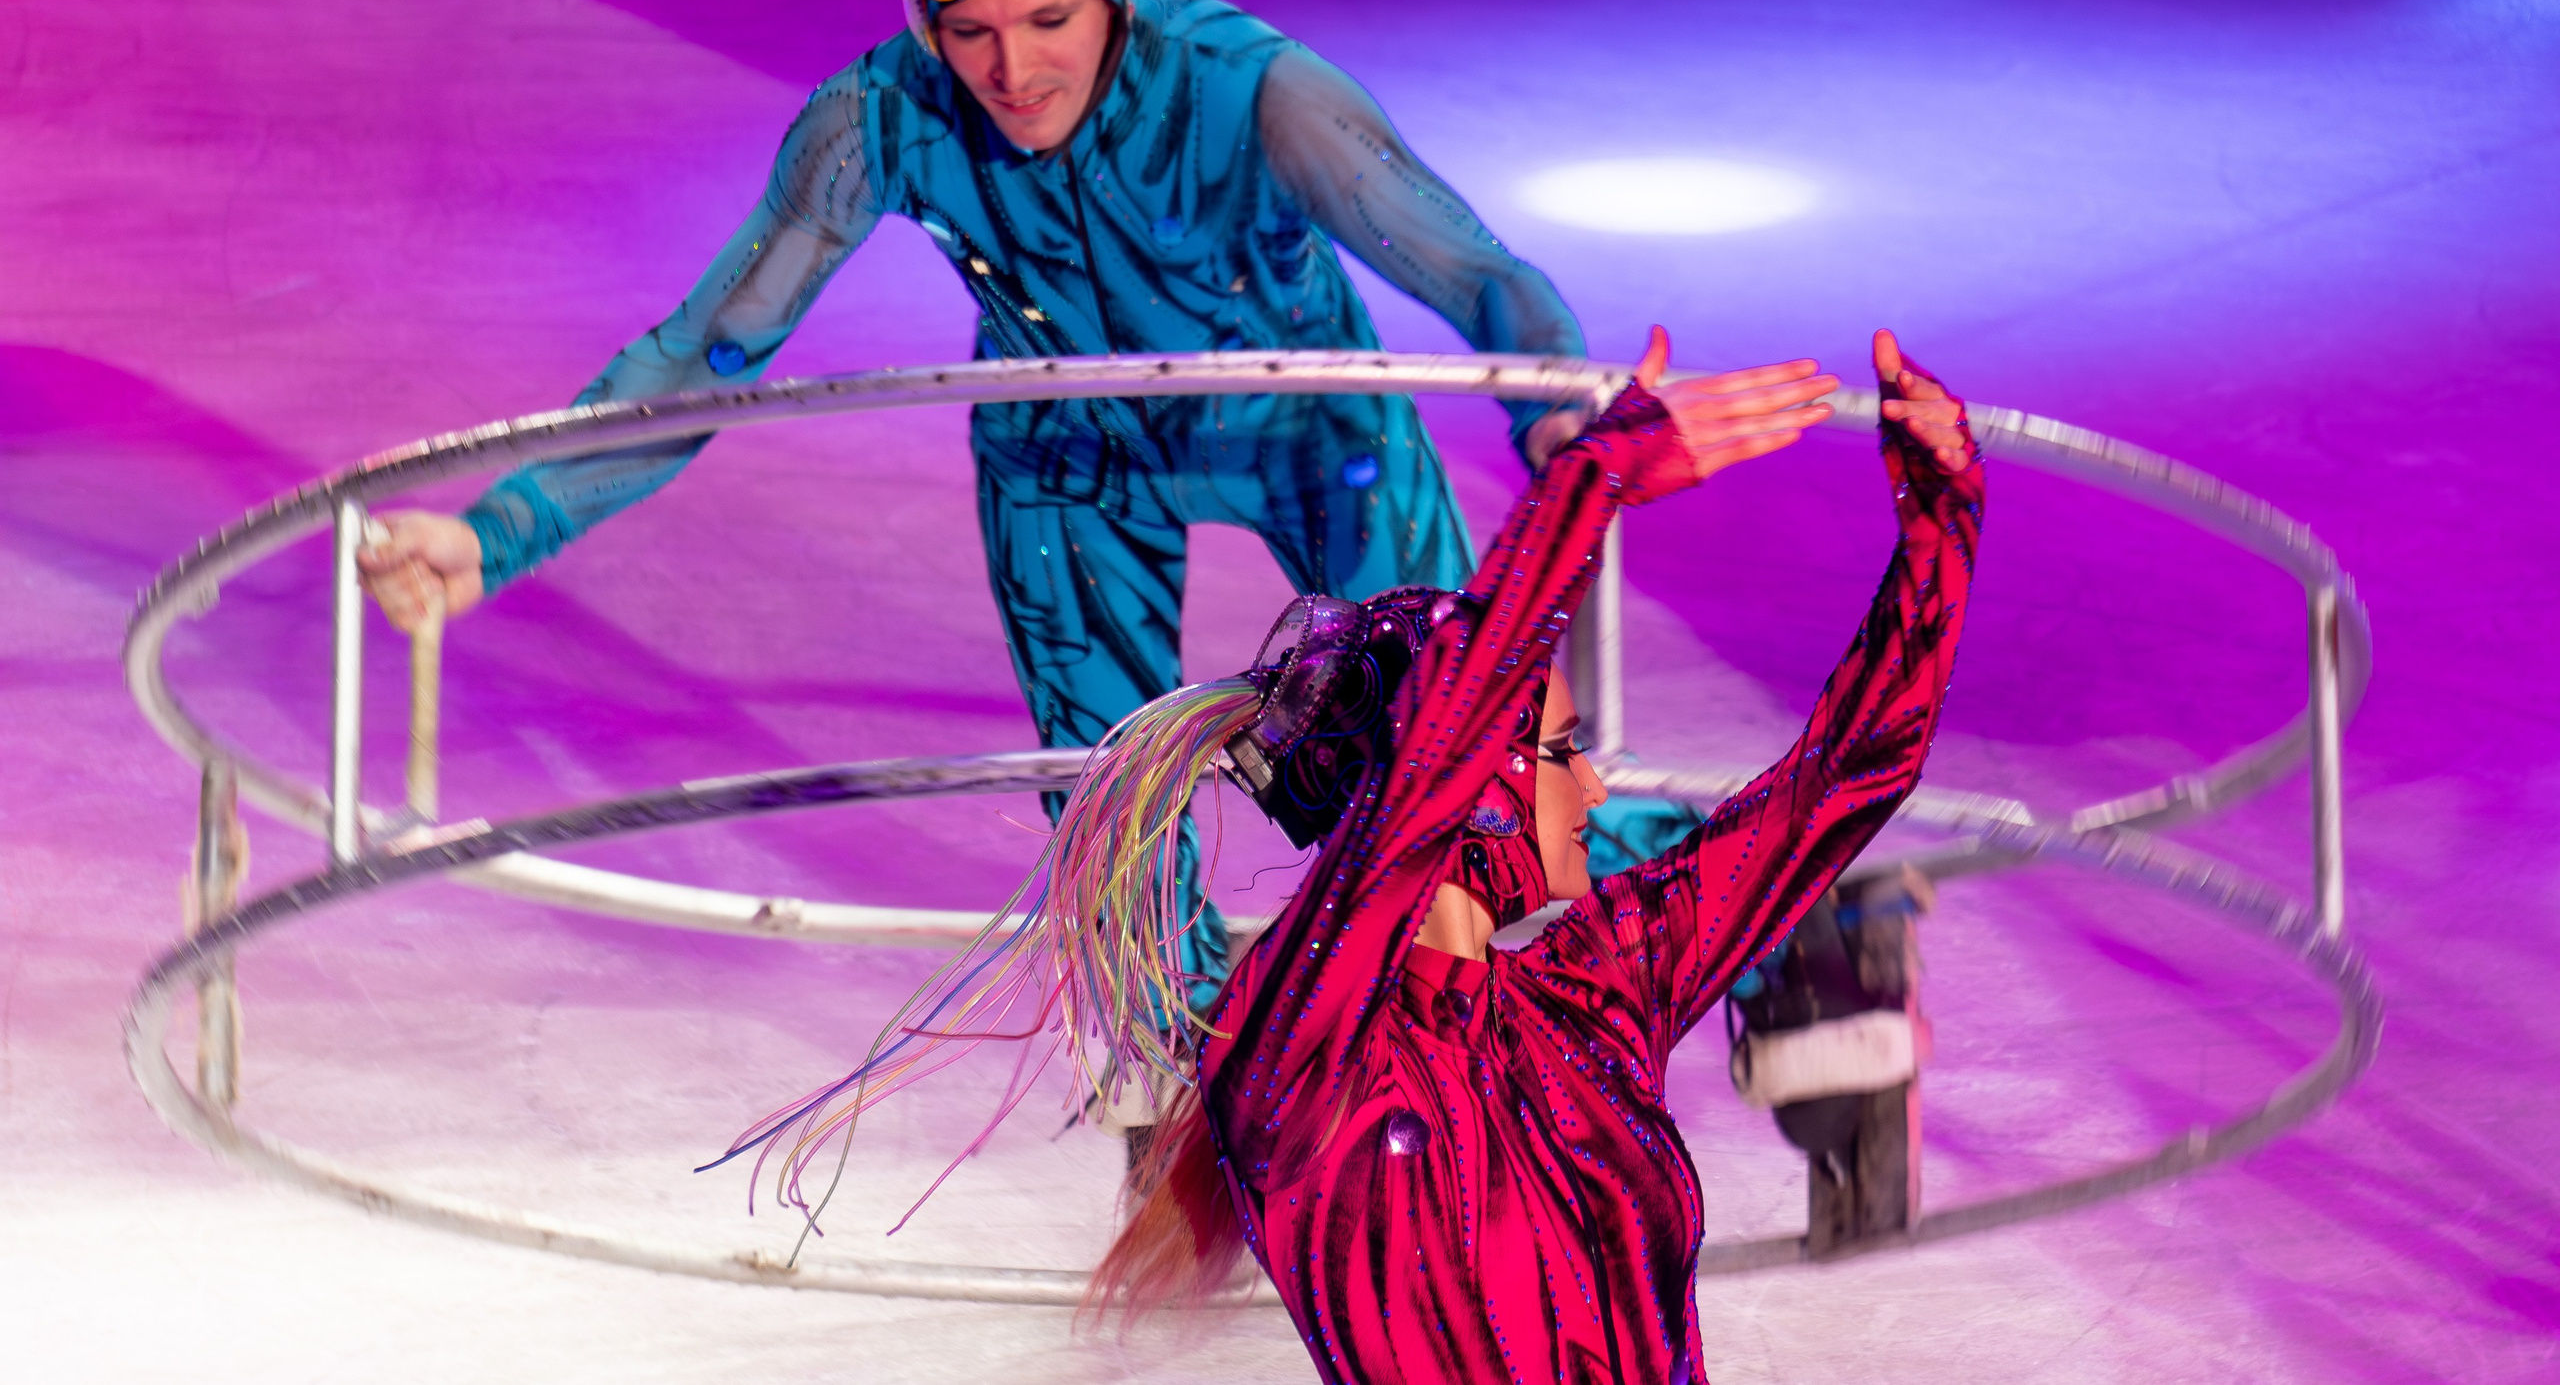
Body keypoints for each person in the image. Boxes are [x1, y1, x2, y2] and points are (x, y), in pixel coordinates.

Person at [354, 0, 1686, 1014]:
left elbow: (1473, 272)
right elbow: (708, 355)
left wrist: (1554, 406)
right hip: (1070, 454)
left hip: (1305, 432)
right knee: (1111, 815)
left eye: (1050, 20)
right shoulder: (883, 115)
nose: (1012, 72)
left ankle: (1756, 920)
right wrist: (496, 531)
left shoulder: (1252, 89)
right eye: (972, 32)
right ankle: (1194, 1082)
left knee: (1464, 776)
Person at [723, 326, 1980, 1384]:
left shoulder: (1595, 991)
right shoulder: (1295, 1051)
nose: (1594, 780)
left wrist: (1938, 525)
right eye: (1555, 748)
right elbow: (1431, 757)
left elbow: (1844, 782)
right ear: (1468, 778)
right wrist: (1583, 484)